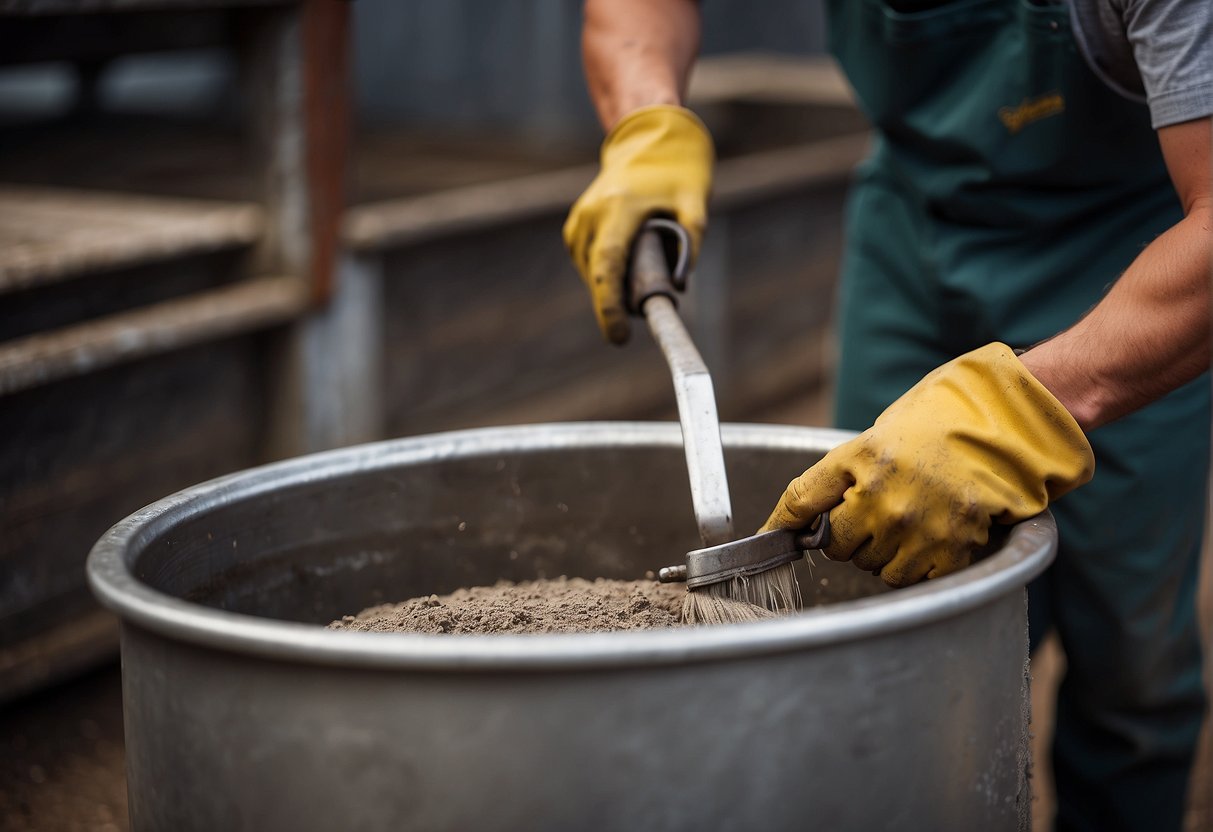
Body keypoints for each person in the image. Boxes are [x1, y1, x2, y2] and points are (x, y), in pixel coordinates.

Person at [562, 1, 1212, 829]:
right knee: (872, 600)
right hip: (913, 230)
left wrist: (1029, 405)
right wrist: (648, 118)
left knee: (1130, 661)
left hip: (1131, 259)